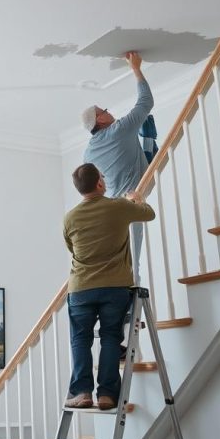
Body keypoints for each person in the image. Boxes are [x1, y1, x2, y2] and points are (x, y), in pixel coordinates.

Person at [63, 163, 155, 410]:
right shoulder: (119, 207)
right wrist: (136, 197)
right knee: (111, 337)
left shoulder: (70, 217)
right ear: (100, 183)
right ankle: (107, 395)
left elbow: (71, 248)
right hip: (115, 286)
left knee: (80, 339)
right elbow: (149, 213)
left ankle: (82, 392)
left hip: (81, 287)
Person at [82, 51, 154, 280]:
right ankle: (132, 315)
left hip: (109, 211)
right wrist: (135, 68)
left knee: (120, 262)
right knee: (132, 262)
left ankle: (129, 315)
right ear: (100, 120)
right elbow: (146, 102)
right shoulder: (118, 129)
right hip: (128, 205)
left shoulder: (89, 152)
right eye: (104, 111)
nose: (108, 111)